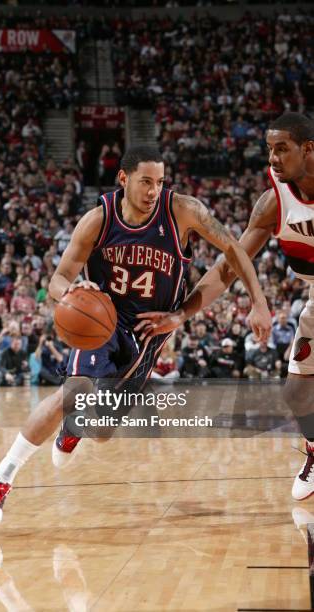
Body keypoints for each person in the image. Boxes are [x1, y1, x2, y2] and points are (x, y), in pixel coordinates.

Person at [0, 145, 271, 524]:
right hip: (104, 322)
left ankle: (74, 429)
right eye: (146, 181)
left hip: (150, 332)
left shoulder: (183, 211)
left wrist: (255, 302)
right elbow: (57, 280)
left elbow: (235, 250)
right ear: (123, 178)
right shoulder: (97, 220)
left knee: (103, 430)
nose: (153, 191)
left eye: (160, 182)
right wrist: (74, 293)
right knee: (73, 390)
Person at [137, 112, 314, 501]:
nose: (272, 159)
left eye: (281, 149)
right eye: (269, 150)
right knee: (298, 394)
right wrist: (180, 315)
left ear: (308, 149)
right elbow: (226, 268)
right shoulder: (273, 204)